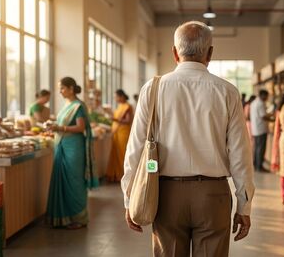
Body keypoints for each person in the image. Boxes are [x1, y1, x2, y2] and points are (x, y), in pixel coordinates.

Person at [122, 21, 255, 256]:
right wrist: (244, 204)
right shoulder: (227, 91)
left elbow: (136, 147)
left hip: (165, 195)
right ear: (210, 53)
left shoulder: (153, 89)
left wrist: (129, 196)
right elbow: (240, 153)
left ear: (174, 52)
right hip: (213, 196)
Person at [45, 77, 99, 229]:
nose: (60, 91)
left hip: (74, 147)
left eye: (62, 88)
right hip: (62, 144)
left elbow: (80, 128)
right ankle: (64, 218)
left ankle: (79, 218)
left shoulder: (78, 106)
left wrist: (59, 128)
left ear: (70, 88)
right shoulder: (67, 104)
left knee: (74, 181)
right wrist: (54, 125)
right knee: (62, 180)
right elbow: (63, 124)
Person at [106, 89, 134, 182]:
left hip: (123, 133)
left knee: (122, 154)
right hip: (116, 132)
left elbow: (128, 121)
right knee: (115, 154)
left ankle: (125, 176)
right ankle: (116, 176)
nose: (115, 99)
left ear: (121, 96)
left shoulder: (127, 106)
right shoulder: (120, 106)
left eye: (116, 97)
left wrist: (114, 119)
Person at [250, 89, 274, 172]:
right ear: (263, 95)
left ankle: (256, 164)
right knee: (261, 148)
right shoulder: (260, 103)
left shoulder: (254, 103)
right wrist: (273, 120)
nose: (267, 98)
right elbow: (263, 116)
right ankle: (259, 166)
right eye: (267, 96)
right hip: (260, 129)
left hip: (256, 129)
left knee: (257, 148)